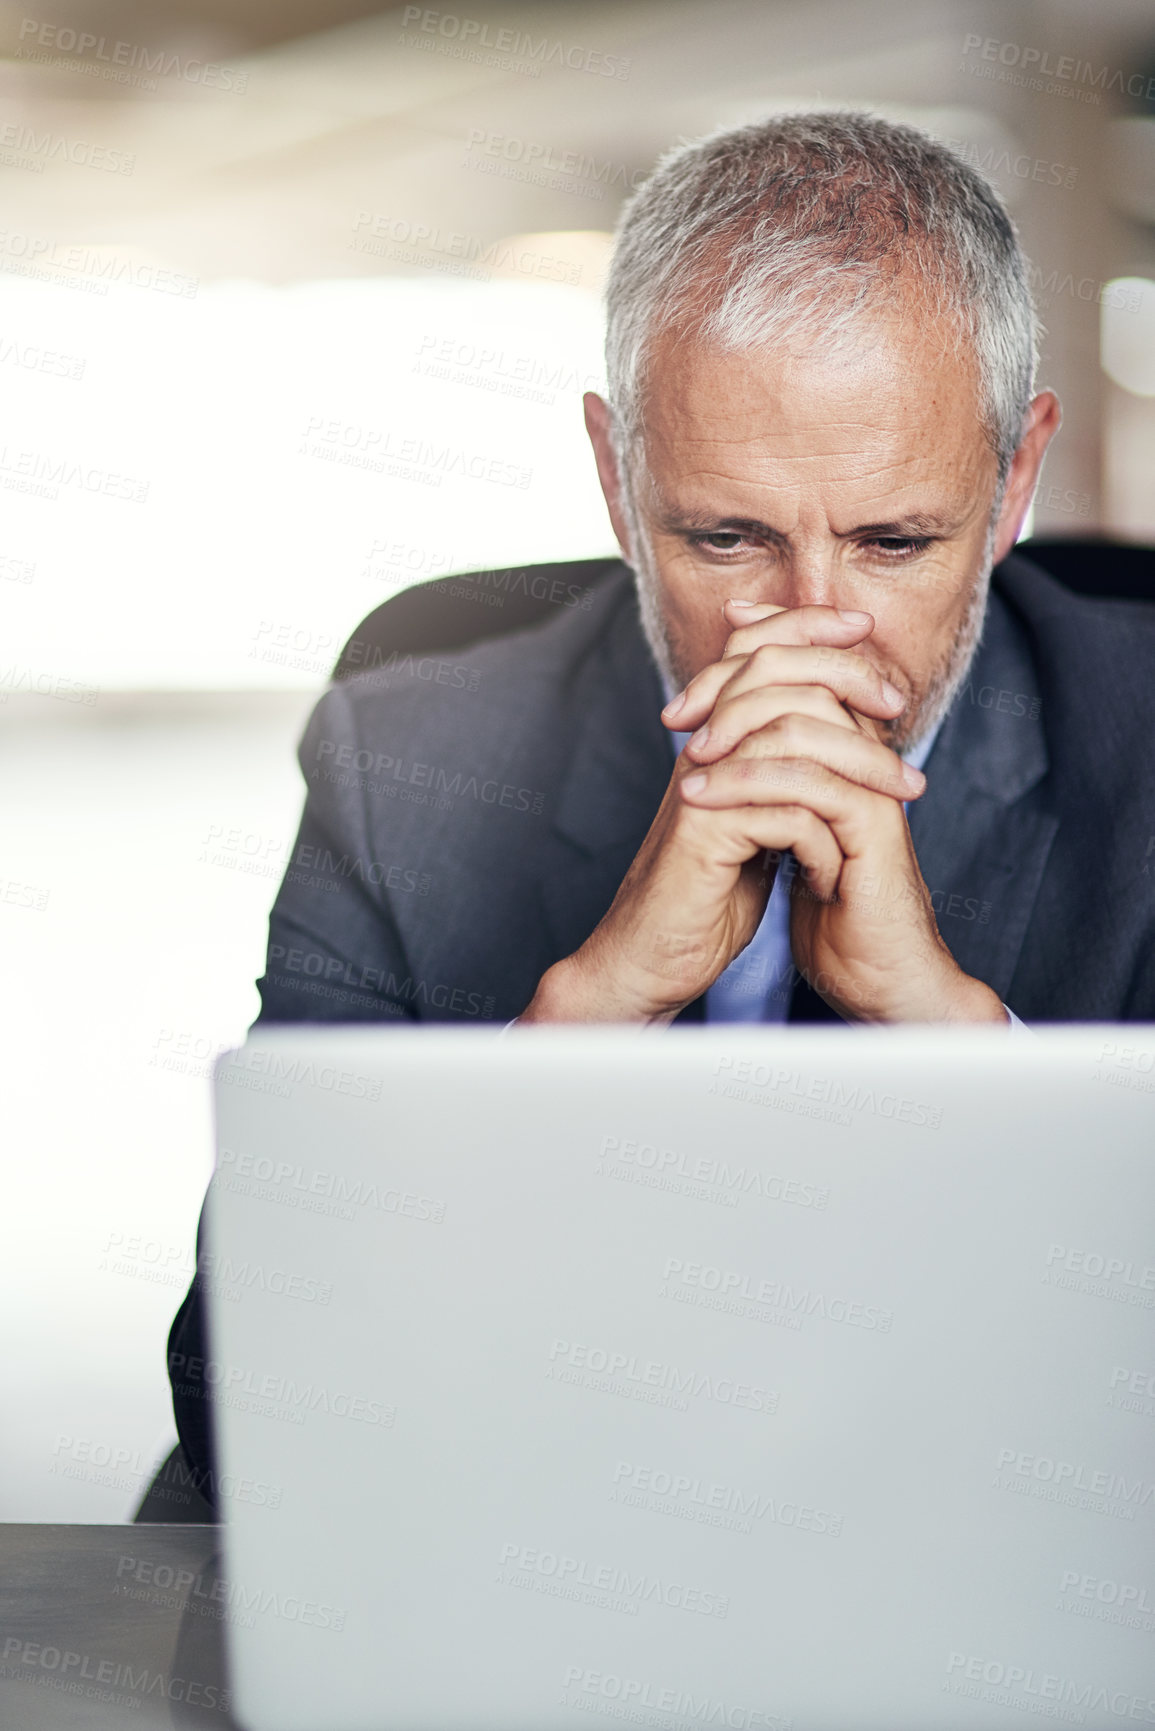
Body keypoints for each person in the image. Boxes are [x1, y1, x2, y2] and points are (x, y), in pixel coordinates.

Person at [167, 111, 1155, 1504]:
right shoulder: (404, 764)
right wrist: (591, 1009)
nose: (812, 634)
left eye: (895, 542)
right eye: (728, 536)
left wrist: (948, 1034)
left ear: (1014, 484)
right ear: (619, 483)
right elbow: (238, 1405)